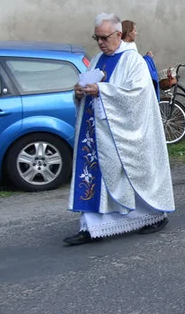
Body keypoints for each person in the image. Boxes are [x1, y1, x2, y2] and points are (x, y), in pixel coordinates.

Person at [64, 13, 174, 245]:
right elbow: (88, 85)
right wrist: (79, 92)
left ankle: (154, 214)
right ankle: (92, 227)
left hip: (123, 133)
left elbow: (138, 95)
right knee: (93, 175)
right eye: (97, 38)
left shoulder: (133, 61)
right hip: (95, 132)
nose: (101, 43)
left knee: (130, 173)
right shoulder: (96, 60)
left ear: (118, 34)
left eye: (105, 38)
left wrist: (102, 91)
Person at [121, 20, 160, 96]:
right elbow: (136, 68)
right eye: (134, 31)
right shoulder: (126, 50)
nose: (136, 33)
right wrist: (148, 58)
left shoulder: (124, 48)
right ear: (129, 33)